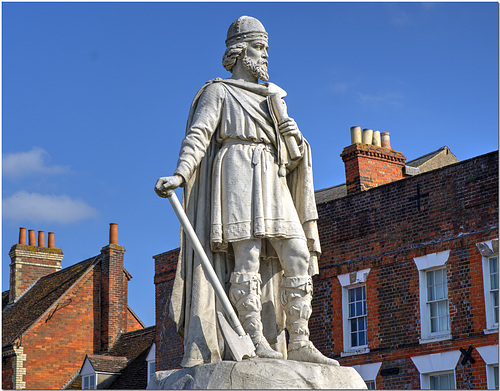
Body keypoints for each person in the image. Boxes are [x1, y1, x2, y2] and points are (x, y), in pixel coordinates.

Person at [155, 16, 338, 368]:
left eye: (267, 48)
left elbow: (295, 154)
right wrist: (180, 174)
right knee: (248, 258)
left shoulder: (272, 97)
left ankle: (299, 341)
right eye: (259, 47)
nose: (265, 56)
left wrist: (293, 135)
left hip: (271, 173)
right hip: (236, 169)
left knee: (297, 253)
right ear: (239, 51)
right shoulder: (218, 91)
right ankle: (253, 338)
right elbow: (198, 134)